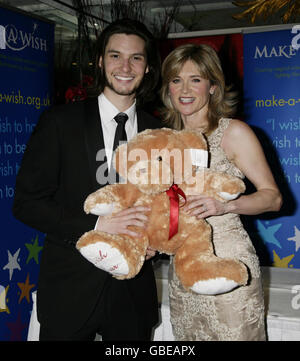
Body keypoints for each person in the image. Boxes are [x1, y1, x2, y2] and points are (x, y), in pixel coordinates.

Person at [13, 18, 162, 341]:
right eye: (114, 56)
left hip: (132, 295)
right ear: (99, 61)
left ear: (148, 66)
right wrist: (96, 227)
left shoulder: (160, 133)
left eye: (136, 57)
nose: (125, 66)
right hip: (70, 291)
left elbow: (168, 206)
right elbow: (26, 204)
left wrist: (158, 242)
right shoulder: (59, 123)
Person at [160, 43, 282, 341]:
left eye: (196, 79)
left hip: (230, 266)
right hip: (184, 268)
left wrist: (225, 206)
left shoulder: (233, 132)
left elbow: (273, 198)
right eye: (176, 80)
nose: (185, 89)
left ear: (213, 86)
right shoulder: (165, 140)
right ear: (168, 88)